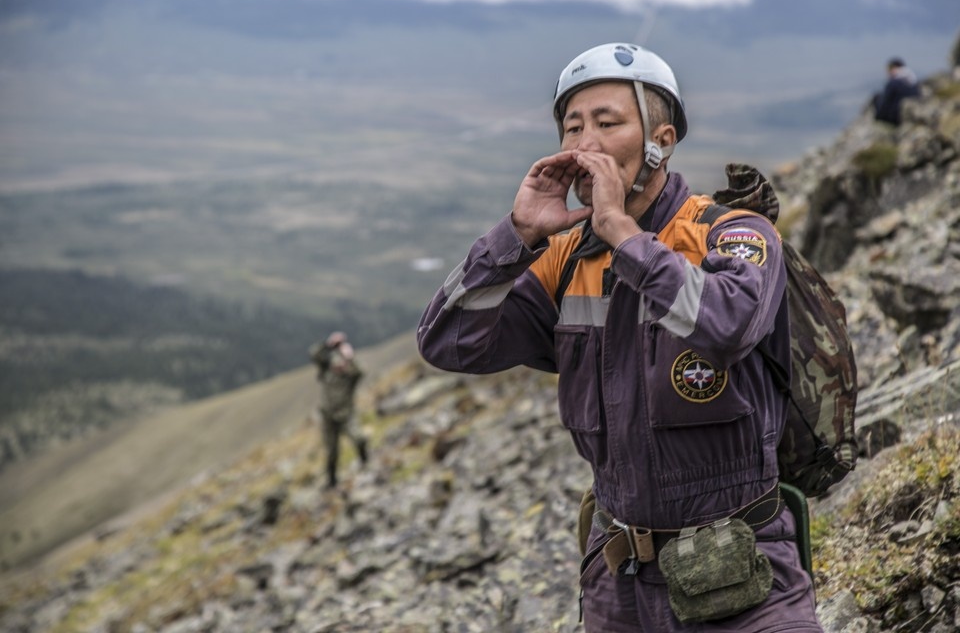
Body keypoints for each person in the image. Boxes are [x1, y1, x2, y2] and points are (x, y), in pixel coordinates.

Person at [417, 43, 821, 631]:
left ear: (661, 141)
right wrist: (518, 234)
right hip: (619, 589)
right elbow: (447, 341)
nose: (584, 143)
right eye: (572, 127)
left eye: (607, 123)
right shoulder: (564, 258)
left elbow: (728, 325)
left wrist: (624, 235)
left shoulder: (732, 232)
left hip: (747, 577)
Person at [310, 331, 367, 489]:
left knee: (359, 438)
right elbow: (314, 354)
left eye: (340, 361)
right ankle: (332, 481)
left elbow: (360, 372)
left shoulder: (350, 375)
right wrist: (328, 345)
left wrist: (349, 357)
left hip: (346, 414)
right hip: (327, 416)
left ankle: (365, 463)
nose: (338, 364)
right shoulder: (325, 370)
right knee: (332, 452)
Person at [872, 57, 920, 125]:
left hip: (895, 118)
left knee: (876, 97)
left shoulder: (893, 83)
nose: (887, 72)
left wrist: (877, 116)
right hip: (910, 116)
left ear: (894, 68)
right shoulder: (913, 81)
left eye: (888, 69)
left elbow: (885, 102)